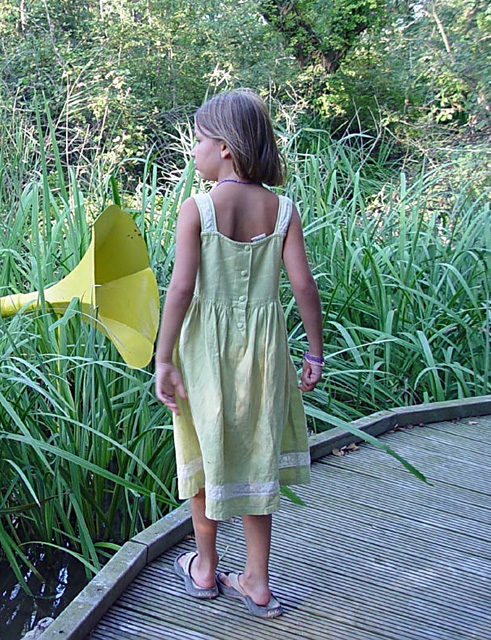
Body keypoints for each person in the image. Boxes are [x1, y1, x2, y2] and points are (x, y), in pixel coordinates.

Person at [154, 88, 324, 619]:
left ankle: (204, 568)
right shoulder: (284, 209)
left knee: (204, 459)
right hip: (266, 353)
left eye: (200, 140)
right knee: (255, 455)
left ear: (225, 147)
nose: (194, 151)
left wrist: (163, 358)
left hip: (205, 354)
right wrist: (315, 353)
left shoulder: (197, 209)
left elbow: (180, 290)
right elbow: (303, 287)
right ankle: (257, 579)